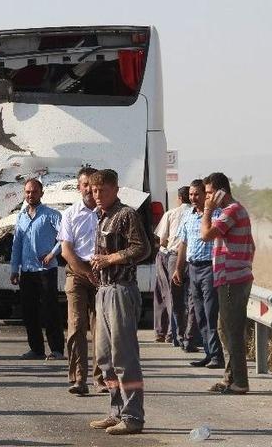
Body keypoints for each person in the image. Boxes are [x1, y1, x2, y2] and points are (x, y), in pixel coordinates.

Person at [87, 169, 150, 435]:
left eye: (102, 190)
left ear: (115, 189)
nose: (97, 195)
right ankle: (116, 412)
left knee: (124, 356)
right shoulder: (102, 217)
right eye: (94, 190)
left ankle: (133, 416)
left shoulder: (126, 214)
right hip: (103, 290)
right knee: (105, 358)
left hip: (121, 290)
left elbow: (142, 248)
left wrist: (110, 259)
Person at [200, 172, 255, 395]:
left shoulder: (231, 211)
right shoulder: (230, 211)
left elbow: (206, 235)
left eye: (209, 193)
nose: (207, 198)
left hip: (233, 279)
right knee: (225, 330)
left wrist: (207, 211)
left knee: (232, 331)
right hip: (229, 278)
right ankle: (230, 378)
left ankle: (240, 382)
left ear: (221, 192)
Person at [59, 167, 106, 395]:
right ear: (79, 187)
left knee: (101, 329)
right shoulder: (70, 214)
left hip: (103, 274)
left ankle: (101, 378)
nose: (89, 189)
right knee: (77, 326)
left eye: (92, 185)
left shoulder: (107, 213)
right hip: (77, 273)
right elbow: (66, 251)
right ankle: (78, 378)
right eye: (84, 185)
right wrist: (87, 272)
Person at [10, 178, 65, 360]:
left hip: (46, 271)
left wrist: (52, 254)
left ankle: (57, 350)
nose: (30, 195)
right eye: (27, 192)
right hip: (27, 271)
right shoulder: (21, 216)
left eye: (34, 191)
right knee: (29, 312)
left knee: (50, 311)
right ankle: (36, 349)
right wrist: (14, 268)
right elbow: (17, 244)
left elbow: (64, 237)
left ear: (41, 193)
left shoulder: (51, 215)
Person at [173, 180, 224, 369]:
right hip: (192, 268)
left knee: (210, 313)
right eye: (191, 195)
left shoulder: (216, 214)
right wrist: (178, 269)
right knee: (199, 314)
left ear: (205, 195)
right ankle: (209, 354)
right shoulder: (188, 215)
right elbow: (183, 244)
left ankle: (217, 356)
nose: (193, 198)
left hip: (210, 268)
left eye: (197, 194)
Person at [151, 186, 189, 344]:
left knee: (165, 293)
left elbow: (162, 240)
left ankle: (165, 332)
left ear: (179, 198)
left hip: (169, 256)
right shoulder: (196, 214)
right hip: (189, 258)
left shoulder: (172, 213)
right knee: (182, 296)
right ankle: (177, 332)